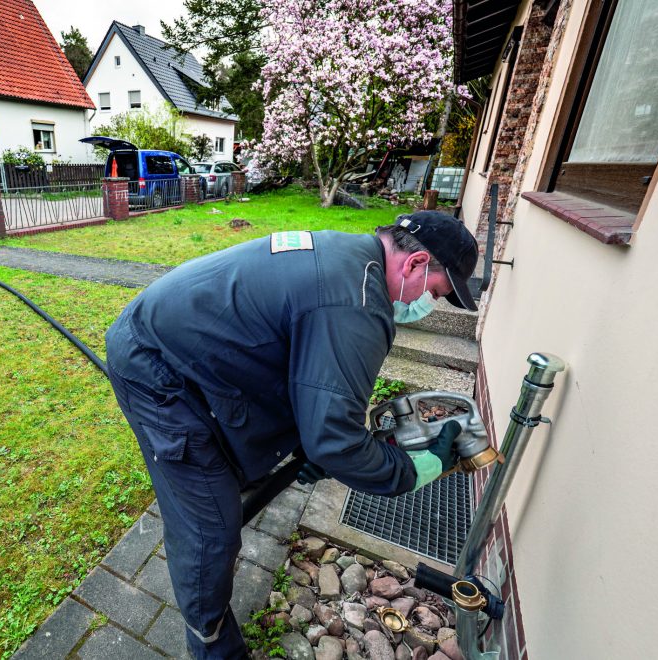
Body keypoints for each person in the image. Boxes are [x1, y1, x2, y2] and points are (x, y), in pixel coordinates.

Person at [104, 210, 479, 659]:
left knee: (239, 467)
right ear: (416, 263)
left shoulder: (353, 256)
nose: (427, 304)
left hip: (187, 345)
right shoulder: (355, 303)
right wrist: (416, 467)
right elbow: (336, 441)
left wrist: (311, 442)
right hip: (155, 367)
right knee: (210, 529)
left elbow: (315, 389)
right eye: (435, 293)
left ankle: (225, 500)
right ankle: (211, 642)